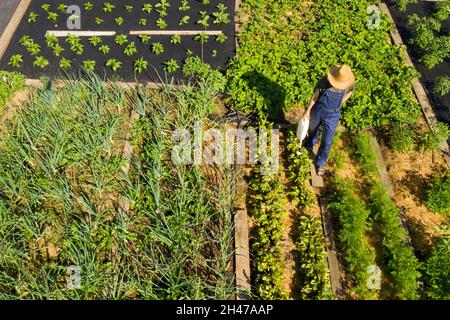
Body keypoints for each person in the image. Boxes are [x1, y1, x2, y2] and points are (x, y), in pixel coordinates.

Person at [302, 64, 356, 176]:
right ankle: (309, 144)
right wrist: (307, 111)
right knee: (313, 129)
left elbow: (350, 91)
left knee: (327, 140)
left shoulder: (348, 83)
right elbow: (315, 97)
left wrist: (342, 101)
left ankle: (320, 163)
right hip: (319, 109)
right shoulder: (324, 82)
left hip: (333, 114)